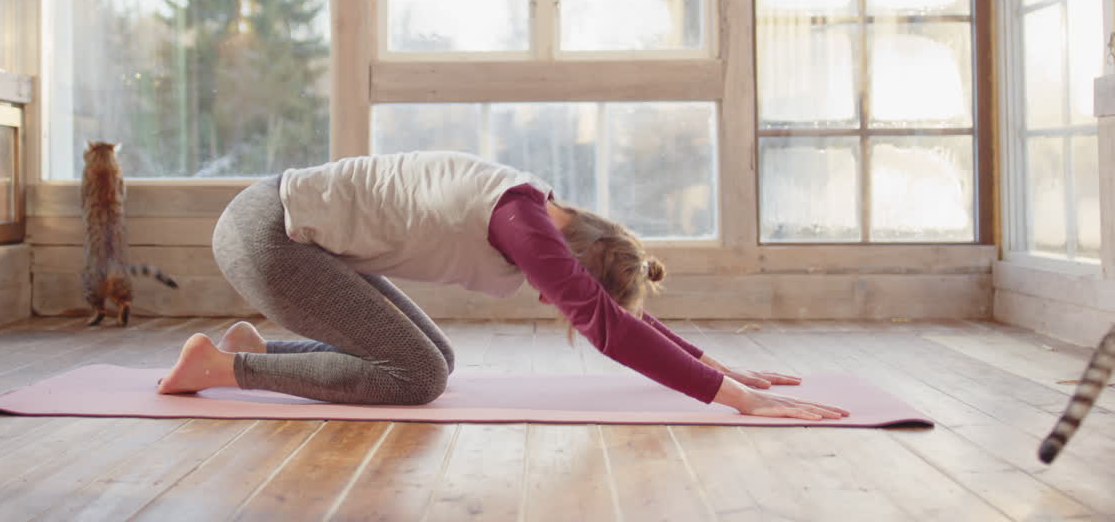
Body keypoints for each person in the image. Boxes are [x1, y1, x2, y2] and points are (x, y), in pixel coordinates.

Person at [158, 151, 849, 421]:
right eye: (560, 298)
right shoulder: (523, 223)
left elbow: (609, 315)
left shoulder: (538, 208)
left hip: (286, 232)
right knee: (417, 375)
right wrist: (738, 402)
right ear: (577, 263)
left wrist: (714, 364)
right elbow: (610, 328)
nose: (554, 304)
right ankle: (224, 367)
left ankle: (258, 351)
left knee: (438, 360)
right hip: (266, 237)